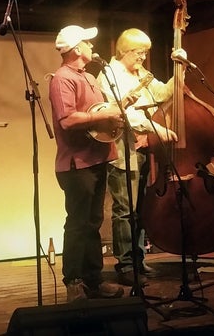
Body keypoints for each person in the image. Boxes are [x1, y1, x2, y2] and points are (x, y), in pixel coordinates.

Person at [48, 24, 125, 302]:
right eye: (88, 43)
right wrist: (104, 116)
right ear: (77, 49)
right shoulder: (62, 79)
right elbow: (68, 120)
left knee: (93, 222)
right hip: (76, 163)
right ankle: (73, 281)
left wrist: (114, 115)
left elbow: (98, 114)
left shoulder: (90, 77)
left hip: (97, 158)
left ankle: (94, 280)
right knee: (78, 223)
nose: (92, 46)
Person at [96, 28, 178, 286]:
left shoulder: (140, 74)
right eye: (139, 52)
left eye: (145, 53)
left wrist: (180, 69)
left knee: (140, 209)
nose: (143, 57)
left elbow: (163, 94)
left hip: (141, 150)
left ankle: (138, 259)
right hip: (121, 152)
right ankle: (126, 265)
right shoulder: (109, 74)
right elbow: (124, 114)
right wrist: (158, 129)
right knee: (125, 210)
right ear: (125, 51)